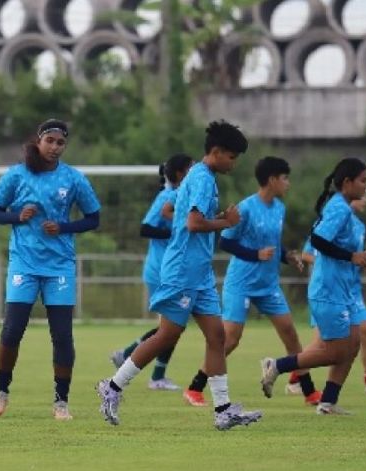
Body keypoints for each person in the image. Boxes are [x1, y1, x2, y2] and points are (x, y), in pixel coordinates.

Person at [96, 120, 263, 431]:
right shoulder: (201, 178)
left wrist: (220, 219)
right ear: (216, 152)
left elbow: (195, 219)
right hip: (182, 269)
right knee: (167, 335)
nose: (234, 163)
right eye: (232, 156)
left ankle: (223, 410)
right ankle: (113, 387)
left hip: (199, 272)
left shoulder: (205, 177)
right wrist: (226, 222)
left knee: (217, 337)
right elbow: (193, 224)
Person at [0, 119, 101, 421]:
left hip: (59, 265)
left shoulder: (74, 179)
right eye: (49, 140)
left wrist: (63, 227)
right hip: (24, 263)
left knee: (62, 336)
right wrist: (17, 216)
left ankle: (61, 401)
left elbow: (93, 218)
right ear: (39, 141)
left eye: (60, 143)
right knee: (12, 331)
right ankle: (1, 392)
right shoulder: (16, 175)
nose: (54, 147)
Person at [182, 156, 320, 406]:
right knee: (230, 339)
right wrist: (255, 255)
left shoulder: (279, 208)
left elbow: (273, 245)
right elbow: (226, 241)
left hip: (268, 285)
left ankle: (308, 391)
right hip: (241, 283)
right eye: (285, 178)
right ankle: (195, 387)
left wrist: (288, 256)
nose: (288, 184)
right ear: (272, 180)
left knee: (290, 333)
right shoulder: (245, 208)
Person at [260, 158, 366, 415]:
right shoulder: (340, 208)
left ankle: (328, 402)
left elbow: (338, 247)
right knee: (335, 352)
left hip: (344, 291)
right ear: (347, 183)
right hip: (328, 291)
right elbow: (319, 241)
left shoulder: (344, 209)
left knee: (353, 345)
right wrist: (352, 257)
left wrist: (360, 259)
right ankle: (277, 365)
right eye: (363, 181)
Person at [109, 153, 194, 391]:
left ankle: (127, 355)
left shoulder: (181, 196)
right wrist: (176, 232)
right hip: (161, 270)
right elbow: (145, 228)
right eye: (191, 168)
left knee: (171, 327)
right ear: (180, 173)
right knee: (171, 328)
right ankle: (155, 376)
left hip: (173, 271)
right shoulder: (167, 196)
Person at [292, 197, 366, 397]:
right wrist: (329, 261)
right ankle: (293, 375)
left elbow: (353, 256)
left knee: (361, 334)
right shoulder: (330, 221)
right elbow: (308, 253)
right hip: (328, 289)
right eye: (362, 193)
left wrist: (362, 261)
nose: (365, 198)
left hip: (350, 289)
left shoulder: (359, 226)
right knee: (327, 346)